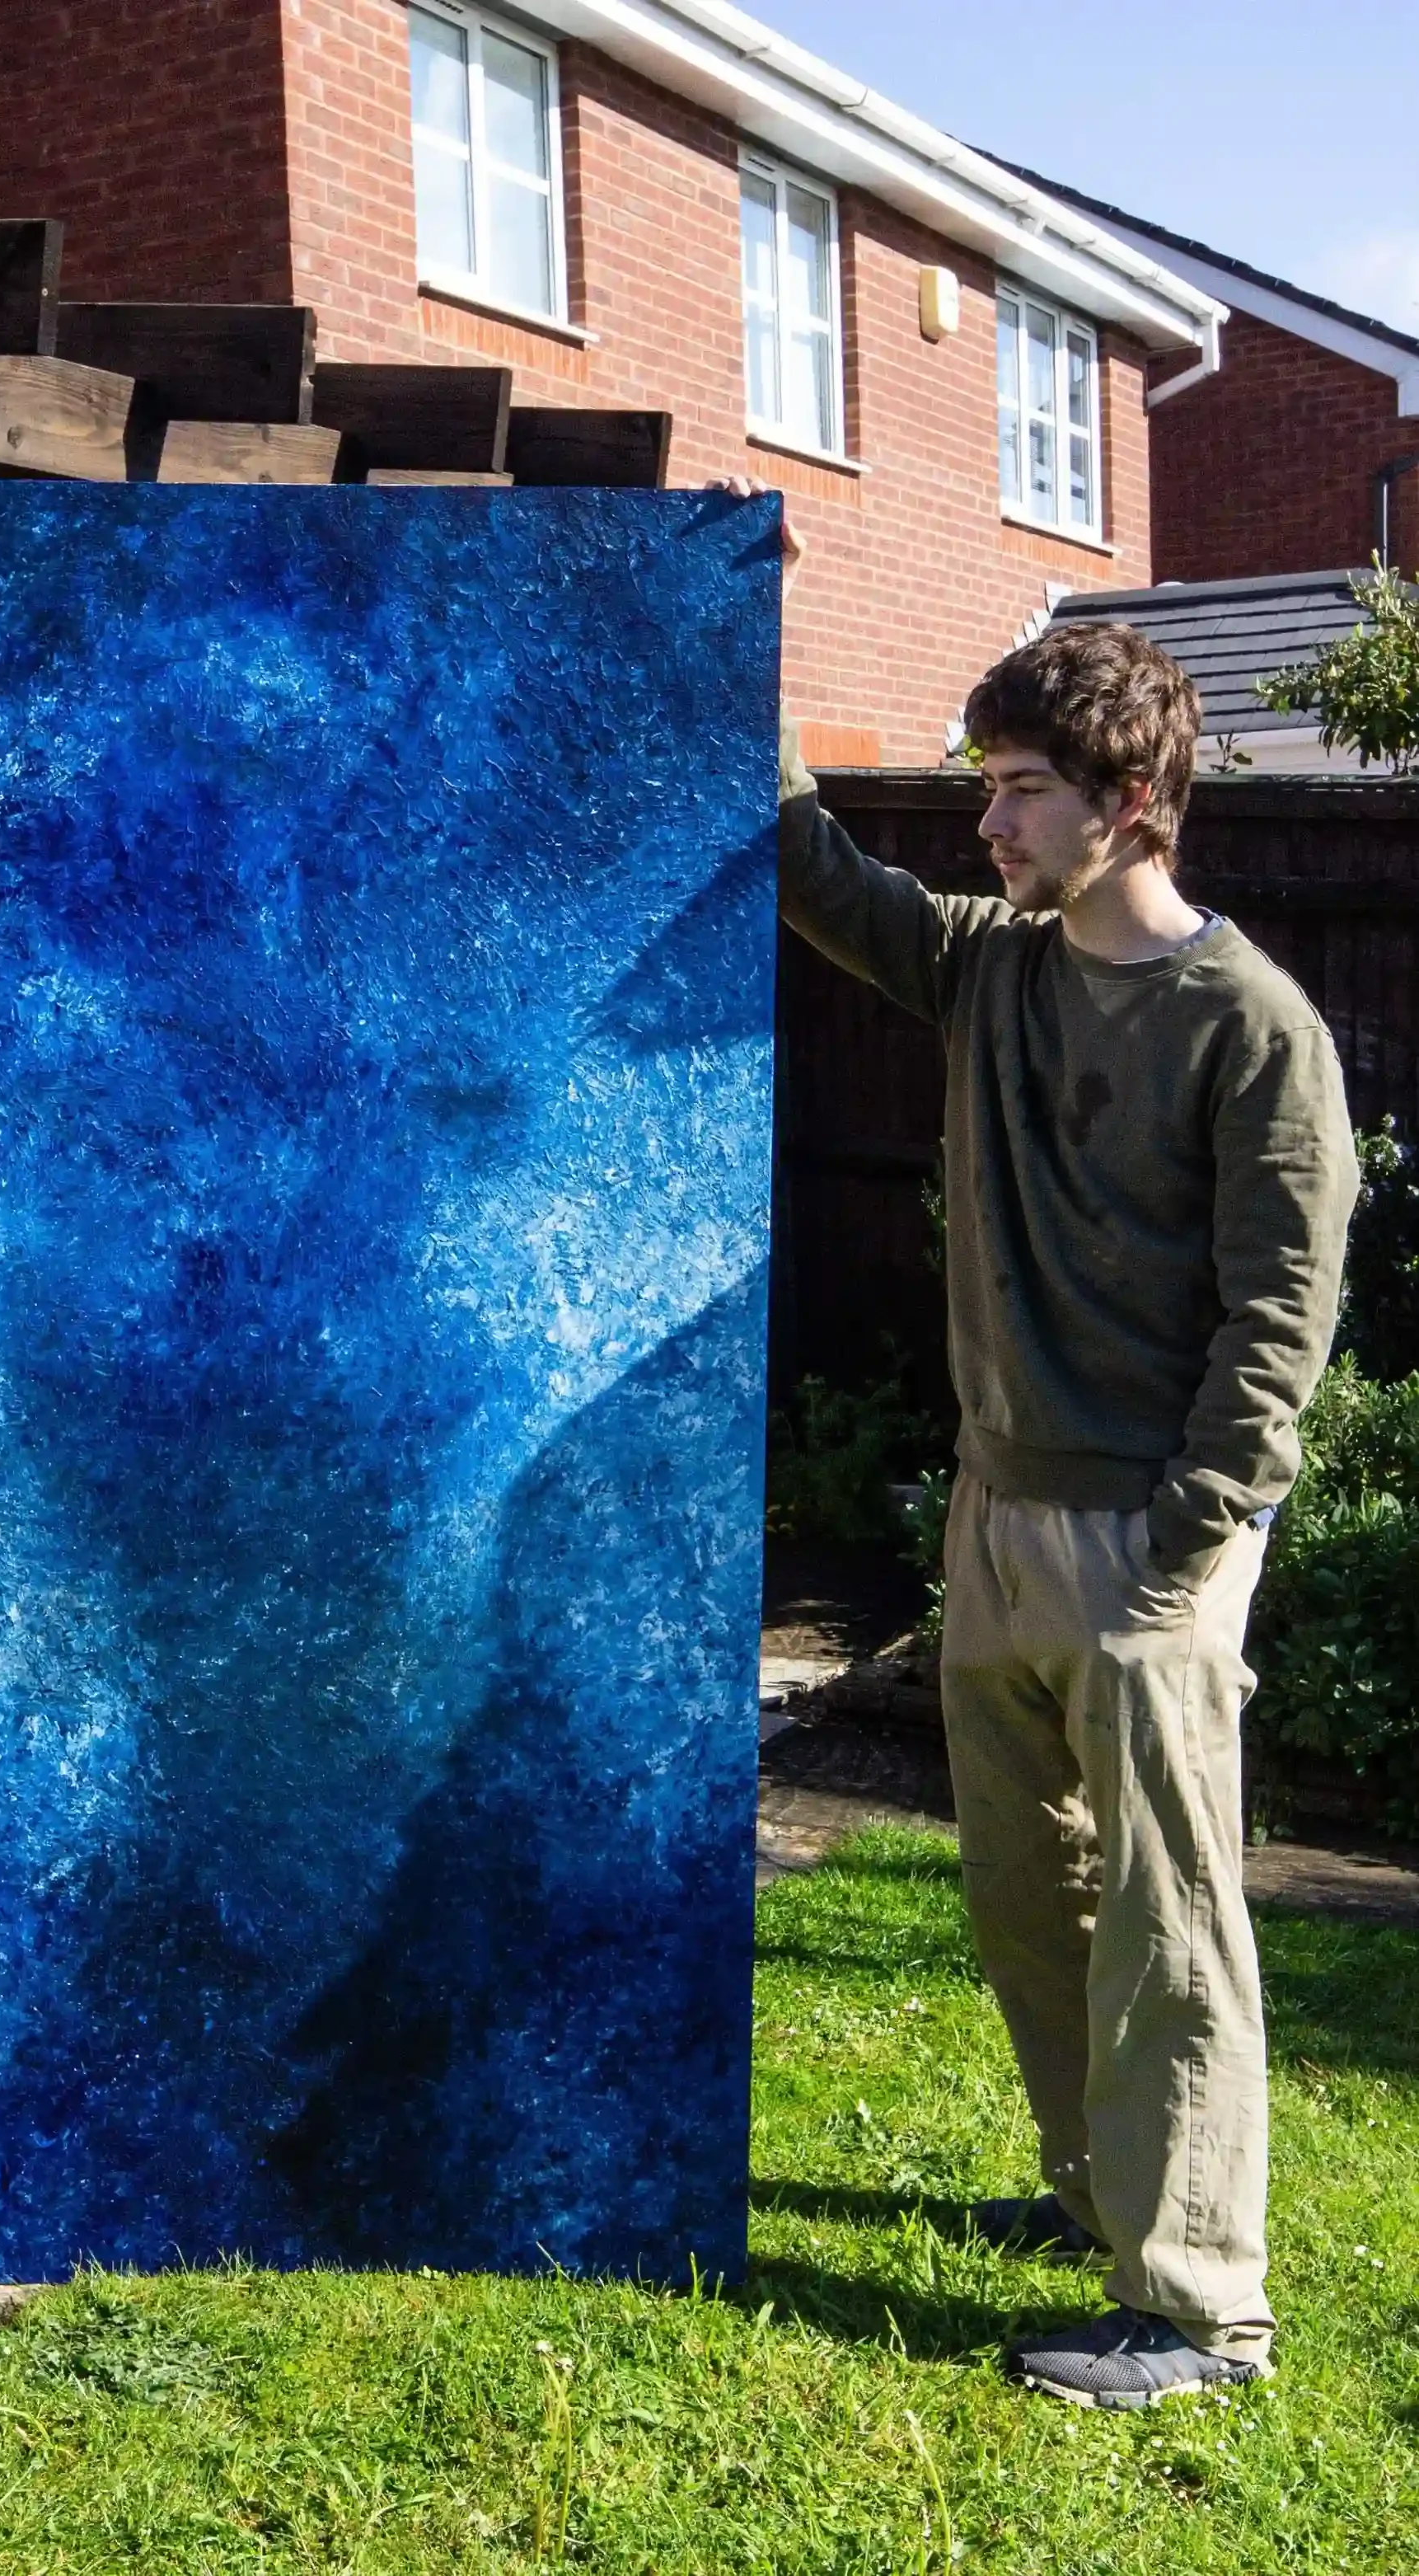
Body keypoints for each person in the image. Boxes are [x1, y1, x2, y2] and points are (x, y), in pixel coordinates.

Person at [754, 486, 1358, 2409]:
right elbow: (821, 875)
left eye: (1015, 786)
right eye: (983, 779)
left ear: (1124, 803)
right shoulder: (991, 968)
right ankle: (1095, 2198)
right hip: (999, 1513)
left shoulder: (1247, 1026)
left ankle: (1197, 2307)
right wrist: (730, 646)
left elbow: (1278, 1317)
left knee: (1169, 1923)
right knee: (1026, 1895)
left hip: (1144, 1541)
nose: (983, 816)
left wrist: (1190, 1541)